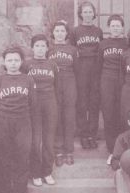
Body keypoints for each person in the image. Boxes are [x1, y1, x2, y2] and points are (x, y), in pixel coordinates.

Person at [0, 46, 36, 193]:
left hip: (23, 122)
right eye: (9, 60)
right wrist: (6, 115)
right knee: (2, 159)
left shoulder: (28, 80)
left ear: (21, 62)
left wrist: (20, 116)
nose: (13, 63)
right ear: (4, 62)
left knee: (22, 159)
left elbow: (32, 103)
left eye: (16, 60)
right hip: (3, 122)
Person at [22, 34, 59, 187]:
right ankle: (36, 172)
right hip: (33, 105)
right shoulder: (26, 65)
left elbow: (57, 86)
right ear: (32, 48)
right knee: (35, 140)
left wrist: (55, 104)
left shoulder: (52, 64)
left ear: (47, 48)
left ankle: (47, 171)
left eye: (43, 46)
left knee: (49, 140)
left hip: (50, 103)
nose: (40, 48)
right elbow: (23, 85)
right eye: (37, 46)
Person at [70, 1, 103, 149]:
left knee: (94, 103)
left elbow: (101, 52)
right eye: (85, 12)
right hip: (81, 69)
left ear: (93, 14)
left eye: (90, 12)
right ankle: (83, 135)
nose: (88, 14)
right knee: (82, 103)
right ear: (81, 14)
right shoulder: (75, 31)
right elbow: (72, 51)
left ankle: (92, 135)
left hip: (95, 70)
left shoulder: (98, 31)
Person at [98, 15, 128, 165]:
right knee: (109, 115)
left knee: (123, 115)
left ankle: (124, 149)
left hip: (124, 82)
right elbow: (98, 65)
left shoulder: (127, 43)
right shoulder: (103, 44)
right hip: (107, 81)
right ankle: (112, 151)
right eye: (113, 26)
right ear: (109, 28)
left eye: (118, 26)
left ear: (123, 28)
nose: (116, 28)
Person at [48, 20, 79, 166]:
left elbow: (78, 70)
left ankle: (69, 151)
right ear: (53, 33)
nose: (60, 34)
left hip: (69, 83)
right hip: (53, 85)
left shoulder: (72, 49)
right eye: (57, 31)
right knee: (56, 118)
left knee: (69, 118)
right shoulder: (48, 49)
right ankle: (58, 151)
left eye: (62, 31)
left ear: (67, 33)